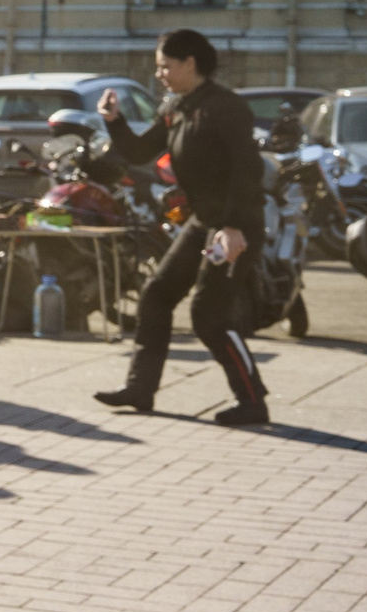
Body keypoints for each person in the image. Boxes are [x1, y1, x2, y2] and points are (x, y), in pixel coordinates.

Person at [95, 28, 270, 426]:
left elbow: (248, 171)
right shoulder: (177, 107)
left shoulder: (226, 107)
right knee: (157, 295)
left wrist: (234, 227)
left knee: (209, 314)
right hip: (203, 221)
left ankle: (252, 402)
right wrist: (114, 121)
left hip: (235, 223)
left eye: (165, 66)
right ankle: (140, 389)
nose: (159, 74)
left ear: (190, 64)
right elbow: (140, 151)